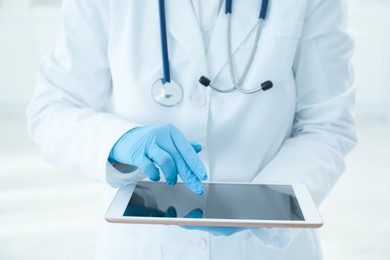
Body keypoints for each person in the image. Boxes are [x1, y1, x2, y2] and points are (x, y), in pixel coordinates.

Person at [26, 0, 357, 259]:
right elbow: (52, 108)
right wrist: (119, 141)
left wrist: (266, 205)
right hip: (144, 246)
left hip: (262, 249)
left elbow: (327, 125)